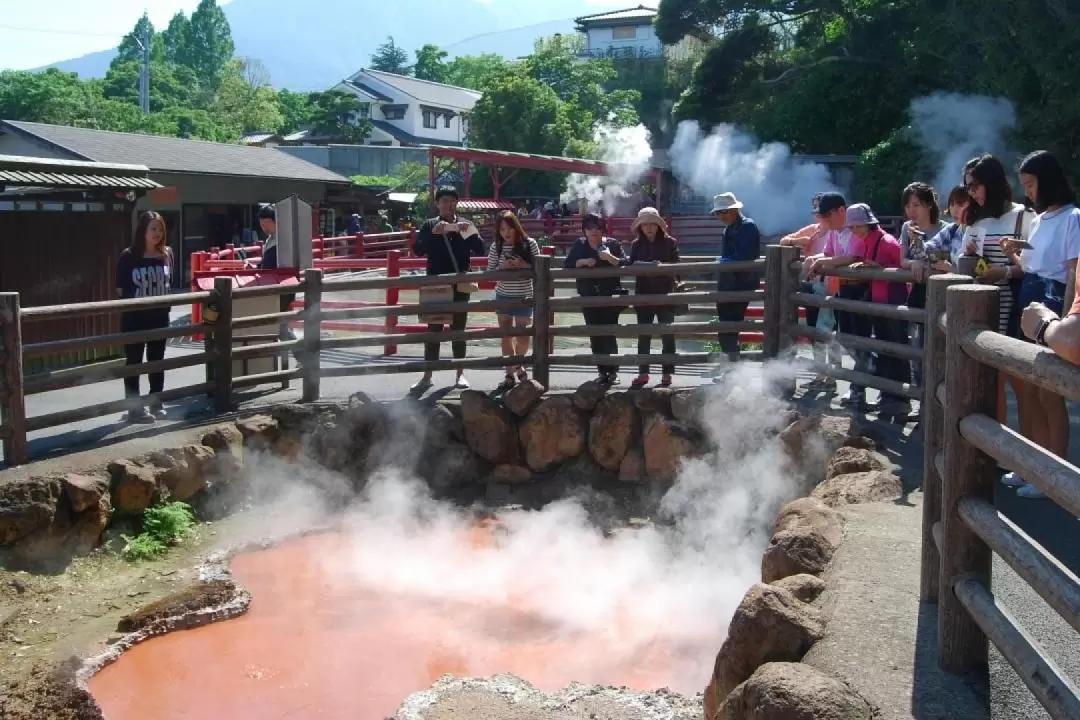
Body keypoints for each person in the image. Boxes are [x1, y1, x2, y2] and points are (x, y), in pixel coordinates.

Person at [1002, 151, 1079, 498]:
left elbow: (1072, 271)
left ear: (1047, 181)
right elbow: (1031, 264)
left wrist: (1063, 322)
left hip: (1054, 301)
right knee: (1027, 388)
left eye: (1031, 184)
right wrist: (1011, 253)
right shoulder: (1039, 218)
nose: (1028, 192)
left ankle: (1054, 472)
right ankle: (1029, 464)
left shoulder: (1073, 218)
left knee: (1049, 392)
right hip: (1030, 297)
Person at [810, 203, 910, 417]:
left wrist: (877, 268)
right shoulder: (869, 241)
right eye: (852, 227)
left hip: (891, 301)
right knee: (886, 349)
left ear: (867, 224)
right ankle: (889, 396)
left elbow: (900, 266)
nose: (854, 230)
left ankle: (899, 399)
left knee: (896, 349)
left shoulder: (886, 242)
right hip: (879, 301)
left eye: (857, 226)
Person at [961, 154, 1034, 425]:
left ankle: (1028, 455)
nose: (972, 193)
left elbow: (1035, 267)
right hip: (984, 307)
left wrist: (1002, 272)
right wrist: (970, 258)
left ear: (992, 182)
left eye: (975, 186)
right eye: (968, 187)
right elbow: (973, 269)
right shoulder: (975, 223)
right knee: (992, 384)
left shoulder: (1023, 217)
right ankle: (997, 455)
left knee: (1022, 386)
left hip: (1014, 306)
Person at [410, 187, 485, 395]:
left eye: (452, 201)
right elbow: (417, 250)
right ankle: (427, 376)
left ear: (456, 203)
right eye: (444, 201)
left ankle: (459, 373)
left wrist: (467, 231)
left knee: (458, 330)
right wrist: (433, 235)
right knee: (433, 330)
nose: (448, 204)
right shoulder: (429, 224)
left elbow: (481, 249)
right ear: (437, 203)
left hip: (459, 284)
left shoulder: (465, 224)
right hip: (435, 284)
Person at [781, 192, 847, 390]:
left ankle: (833, 375)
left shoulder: (840, 231)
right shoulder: (813, 231)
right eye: (818, 213)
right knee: (815, 331)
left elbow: (835, 255)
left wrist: (814, 258)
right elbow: (785, 240)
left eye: (822, 213)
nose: (819, 216)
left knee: (831, 332)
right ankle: (820, 374)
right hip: (815, 286)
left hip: (834, 288)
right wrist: (797, 242)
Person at [116, 211, 173, 424]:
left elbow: (168, 285)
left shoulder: (167, 254)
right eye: (153, 228)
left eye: (160, 229)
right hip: (135, 318)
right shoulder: (128, 257)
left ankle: (156, 401)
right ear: (143, 230)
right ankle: (134, 407)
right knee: (134, 362)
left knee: (157, 361)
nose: (157, 233)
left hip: (160, 317)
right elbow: (120, 290)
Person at [565, 213, 628, 386]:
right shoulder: (580, 245)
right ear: (584, 230)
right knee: (595, 334)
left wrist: (609, 257)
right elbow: (568, 264)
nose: (594, 231)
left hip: (610, 294)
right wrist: (583, 261)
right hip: (588, 295)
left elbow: (625, 262)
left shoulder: (612, 244)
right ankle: (601, 371)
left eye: (597, 227)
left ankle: (613, 371)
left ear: (602, 229)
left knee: (609, 333)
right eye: (590, 227)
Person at [898, 182, 947, 390]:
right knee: (917, 350)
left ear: (929, 205)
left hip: (942, 293)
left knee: (939, 349)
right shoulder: (906, 228)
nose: (911, 211)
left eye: (916, 205)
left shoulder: (945, 229)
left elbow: (946, 261)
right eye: (908, 206)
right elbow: (903, 260)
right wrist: (914, 262)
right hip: (919, 292)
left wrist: (925, 260)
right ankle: (921, 401)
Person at [487, 210, 542, 392]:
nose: (506, 233)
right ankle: (510, 373)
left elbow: (540, 268)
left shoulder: (530, 244)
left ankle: (517, 364)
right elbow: (490, 271)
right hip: (503, 294)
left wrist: (524, 266)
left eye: (510, 228)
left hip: (524, 294)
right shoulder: (497, 247)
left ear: (517, 227)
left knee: (523, 336)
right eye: (502, 229)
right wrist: (502, 267)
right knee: (506, 335)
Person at [628, 207, 680, 388]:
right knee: (644, 335)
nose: (649, 228)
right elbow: (630, 264)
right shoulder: (636, 245)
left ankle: (667, 374)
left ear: (659, 225)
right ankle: (643, 373)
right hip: (643, 293)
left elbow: (677, 266)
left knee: (667, 334)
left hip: (665, 293)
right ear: (640, 227)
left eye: (653, 224)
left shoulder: (670, 243)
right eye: (645, 224)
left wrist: (662, 268)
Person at [711, 192, 760, 371]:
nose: (721, 216)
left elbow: (747, 254)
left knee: (731, 321)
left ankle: (733, 364)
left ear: (734, 210)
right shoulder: (729, 229)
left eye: (724, 212)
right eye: (719, 213)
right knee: (725, 323)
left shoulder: (748, 227)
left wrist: (725, 262)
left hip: (742, 282)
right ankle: (732, 362)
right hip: (728, 282)